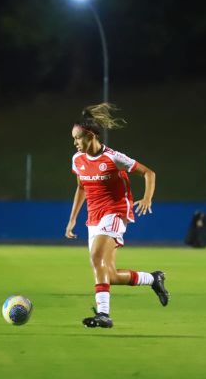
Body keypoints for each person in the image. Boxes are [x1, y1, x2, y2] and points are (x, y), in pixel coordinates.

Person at [65, 103, 168, 328]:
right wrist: (73, 219)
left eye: (77, 138)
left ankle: (104, 314)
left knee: (95, 258)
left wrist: (148, 197)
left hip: (115, 212)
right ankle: (153, 279)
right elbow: (81, 187)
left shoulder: (113, 158)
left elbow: (149, 173)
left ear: (90, 136)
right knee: (108, 274)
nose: (75, 143)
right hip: (93, 217)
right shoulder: (77, 160)